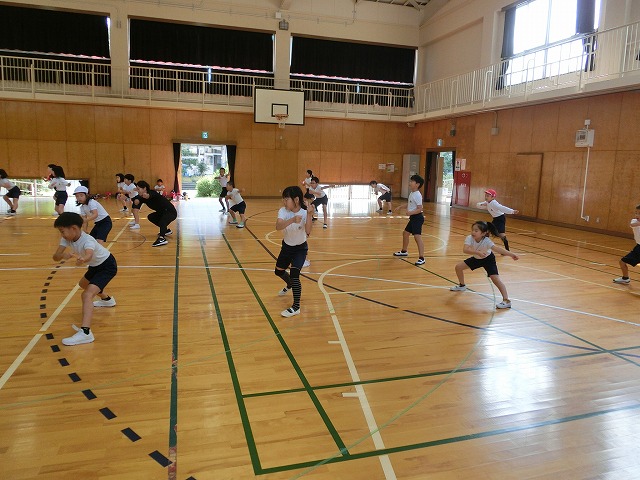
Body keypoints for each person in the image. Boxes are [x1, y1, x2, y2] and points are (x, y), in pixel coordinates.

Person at [53, 212, 117, 346]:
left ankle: (86, 332)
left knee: (87, 295)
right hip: (95, 266)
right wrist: (63, 255)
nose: (62, 235)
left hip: (107, 266)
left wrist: (83, 259)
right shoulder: (67, 239)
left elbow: (89, 254)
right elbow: (55, 256)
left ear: (74, 228)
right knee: (83, 284)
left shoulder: (87, 240)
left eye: (62, 231)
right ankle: (107, 300)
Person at [450, 220, 519, 309]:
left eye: (476, 231)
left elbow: (497, 249)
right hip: (477, 258)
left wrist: (511, 254)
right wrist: (477, 253)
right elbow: (465, 250)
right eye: (473, 230)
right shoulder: (469, 238)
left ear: (483, 233)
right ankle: (462, 285)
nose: (473, 232)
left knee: (495, 279)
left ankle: (506, 300)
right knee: (458, 267)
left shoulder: (487, 241)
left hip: (488, 260)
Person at [275, 186, 313, 317]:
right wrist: (292, 220)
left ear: (296, 200)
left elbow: (308, 231)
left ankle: (296, 307)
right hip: (286, 247)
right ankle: (289, 284)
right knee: (278, 271)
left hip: (300, 249)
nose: (284, 202)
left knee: (294, 274)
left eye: (286, 199)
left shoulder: (304, 212)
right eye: (284, 199)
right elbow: (278, 226)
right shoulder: (283, 211)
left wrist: (309, 214)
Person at [393, 174, 426, 265]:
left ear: (417, 184)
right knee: (405, 233)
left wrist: (410, 213)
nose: (410, 183)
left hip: (417, 218)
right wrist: (401, 206)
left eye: (412, 181)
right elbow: (410, 204)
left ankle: (422, 258)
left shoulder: (417, 195)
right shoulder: (412, 193)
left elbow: (420, 209)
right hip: (413, 218)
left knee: (417, 237)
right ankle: (404, 251)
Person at [133, 180, 178, 247]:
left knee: (163, 220)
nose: (137, 190)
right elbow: (137, 201)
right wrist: (136, 200)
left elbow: (149, 195)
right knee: (151, 217)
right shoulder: (142, 197)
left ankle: (162, 238)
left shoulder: (152, 192)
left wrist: (146, 195)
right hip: (162, 212)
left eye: (138, 189)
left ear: (144, 188)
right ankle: (165, 230)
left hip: (170, 212)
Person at [613, 203, 640, 284]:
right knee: (622, 262)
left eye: (639, 213)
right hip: (638, 247)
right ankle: (625, 278)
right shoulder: (634, 221)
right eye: (636, 213)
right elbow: (632, 225)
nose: (637, 215)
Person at [302, 192, 316, 267]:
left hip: (304, 232)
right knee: (303, 245)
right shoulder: (304, 212)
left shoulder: (306, 212)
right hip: (302, 232)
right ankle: (303, 260)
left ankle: (304, 259)